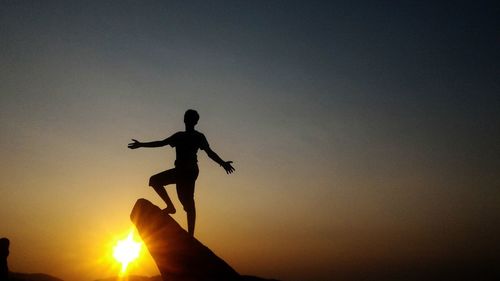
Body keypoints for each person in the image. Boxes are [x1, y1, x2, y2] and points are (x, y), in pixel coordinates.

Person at [128, 109, 235, 236]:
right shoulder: (179, 136)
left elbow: (209, 152)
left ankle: (190, 235)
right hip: (180, 171)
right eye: (187, 118)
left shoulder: (198, 136)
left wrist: (223, 163)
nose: (188, 120)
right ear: (185, 120)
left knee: (188, 202)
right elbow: (161, 143)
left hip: (189, 171)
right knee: (157, 182)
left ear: (195, 122)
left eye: (190, 118)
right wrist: (141, 144)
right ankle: (170, 207)